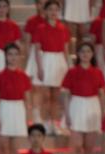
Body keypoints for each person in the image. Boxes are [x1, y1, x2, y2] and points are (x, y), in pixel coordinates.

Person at [61, 42, 105, 154]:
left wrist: (103, 113)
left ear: (92, 54)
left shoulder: (98, 72)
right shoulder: (72, 72)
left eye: (88, 51)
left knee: (89, 148)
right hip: (76, 106)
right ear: (78, 54)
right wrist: (67, 114)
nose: (85, 54)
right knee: (77, 147)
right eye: (82, 51)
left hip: (92, 106)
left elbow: (102, 94)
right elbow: (66, 94)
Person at [33, 0, 70, 134]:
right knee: (46, 96)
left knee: (55, 96)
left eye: (56, 10)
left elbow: (66, 49)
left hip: (59, 61)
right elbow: (37, 50)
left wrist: (68, 66)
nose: (53, 12)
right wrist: (39, 67)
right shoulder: (40, 28)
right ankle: (45, 122)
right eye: (50, 9)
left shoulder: (63, 28)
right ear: (46, 12)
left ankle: (54, 123)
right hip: (46, 60)